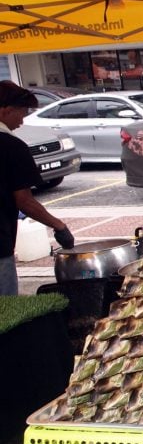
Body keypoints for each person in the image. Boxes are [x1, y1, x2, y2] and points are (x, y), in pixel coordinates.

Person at [0, 81, 75, 295]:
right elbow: (24, 201)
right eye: (22, 114)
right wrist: (59, 226)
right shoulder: (11, 146)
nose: (22, 122)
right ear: (6, 111)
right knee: (6, 310)